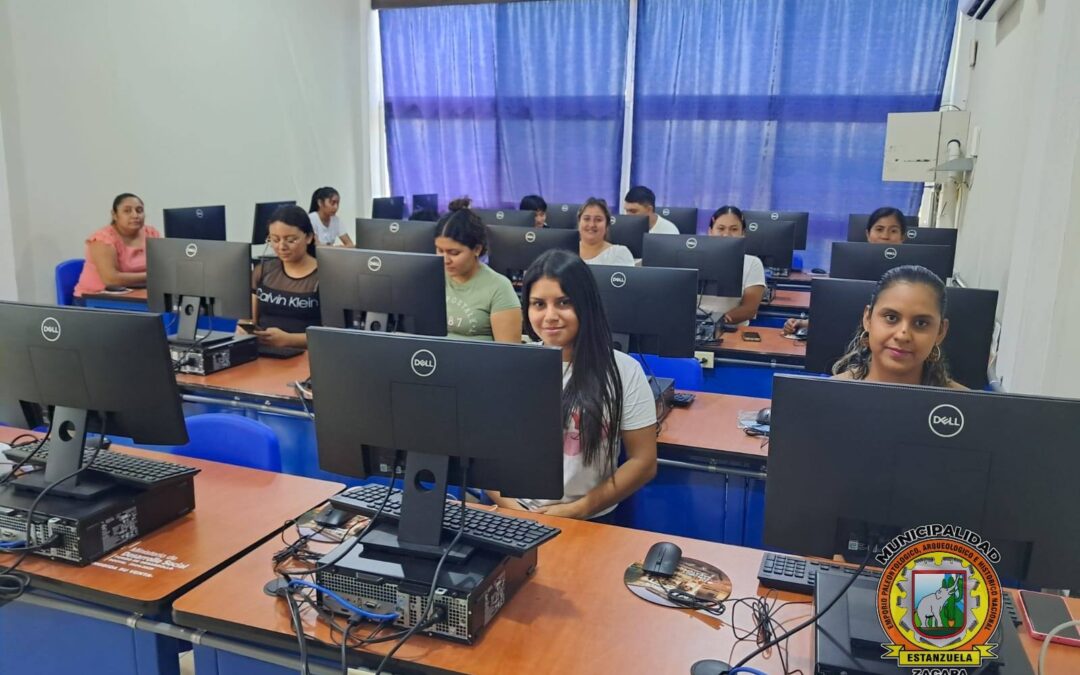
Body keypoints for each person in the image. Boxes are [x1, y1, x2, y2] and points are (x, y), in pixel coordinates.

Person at [487, 249, 658, 520]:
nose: (550, 316)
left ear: (585, 304)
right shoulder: (511, 366)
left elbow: (644, 462)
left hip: (589, 518)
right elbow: (486, 455)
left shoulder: (624, 370)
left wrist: (581, 508)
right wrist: (515, 510)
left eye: (563, 302)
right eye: (538, 304)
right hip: (516, 513)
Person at [832, 265, 964, 388]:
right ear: (868, 319)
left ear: (940, 332)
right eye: (891, 318)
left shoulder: (966, 403)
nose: (902, 336)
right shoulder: (829, 392)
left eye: (921, 323)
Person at [782, 205, 909, 334]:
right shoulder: (849, 264)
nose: (885, 236)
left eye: (893, 231)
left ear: (902, 237)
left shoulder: (913, 274)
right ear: (868, 234)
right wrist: (803, 323)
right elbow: (837, 310)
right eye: (879, 229)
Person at [435, 197, 522, 342]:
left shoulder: (499, 287)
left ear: (476, 249)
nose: (445, 260)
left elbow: (508, 351)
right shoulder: (430, 279)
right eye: (439, 250)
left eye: (454, 253)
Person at [250, 205, 320, 349]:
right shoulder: (263, 271)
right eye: (275, 240)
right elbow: (250, 320)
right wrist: (243, 330)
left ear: (309, 237)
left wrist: (289, 340)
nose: (282, 247)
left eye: (291, 240)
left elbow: (333, 334)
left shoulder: (324, 277)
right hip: (264, 352)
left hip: (307, 354)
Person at [74, 193, 162, 300]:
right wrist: (152, 276)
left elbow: (162, 266)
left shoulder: (151, 233)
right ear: (114, 215)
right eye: (127, 211)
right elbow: (111, 280)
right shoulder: (103, 239)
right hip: (96, 298)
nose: (135, 215)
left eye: (139, 210)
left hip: (137, 294)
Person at [699, 206, 766, 326]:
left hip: (730, 329)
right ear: (710, 231)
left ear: (743, 233)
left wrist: (713, 324)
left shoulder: (753, 263)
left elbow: (749, 309)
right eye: (720, 228)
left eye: (734, 229)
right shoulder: (694, 258)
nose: (726, 234)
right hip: (690, 326)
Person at [577, 198, 634, 267]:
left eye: (598, 220)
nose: (592, 225)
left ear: (607, 225)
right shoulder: (566, 251)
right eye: (586, 219)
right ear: (579, 222)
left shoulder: (619, 253)